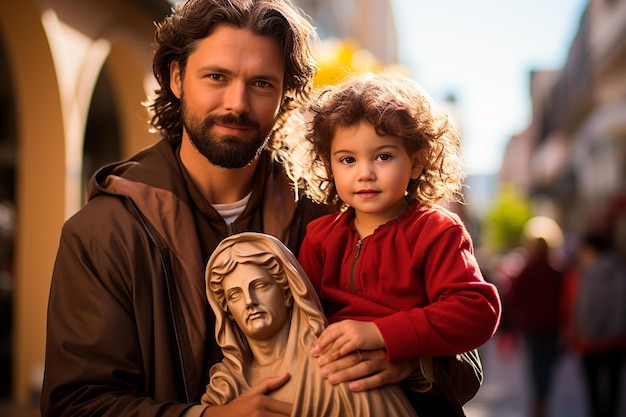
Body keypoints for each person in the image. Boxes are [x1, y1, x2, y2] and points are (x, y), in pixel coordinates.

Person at [40, 1, 334, 416]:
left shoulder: (329, 217)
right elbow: (76, 404)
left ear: (284, 93)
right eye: (217, 76)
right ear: (178, 78)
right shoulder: (102, 233)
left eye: (262, 84)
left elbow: (446, 365)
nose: (237, 103)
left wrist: (401, 359)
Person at [294, 71, 501, 416]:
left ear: (416, 162)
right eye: (347, 159)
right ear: (329, 166)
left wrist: (381, 334)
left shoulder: (435, 230)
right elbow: (303, 318)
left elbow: (476, 311)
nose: (365, 173)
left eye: (383, 156)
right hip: (334, 397)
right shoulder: (319, 236)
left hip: (417, 400)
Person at [202, 232, 419, 416]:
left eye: (259, 285)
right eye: (235, 295)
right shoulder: (226, 387)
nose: (250, 301)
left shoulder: (340, 366)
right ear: (227, 312)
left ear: (288, 293)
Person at [562, 231, 626, 417]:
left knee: (592, 389)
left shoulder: (582, 274)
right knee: (614, 386)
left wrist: (576, 333)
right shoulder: (620, 270)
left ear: (592, 249)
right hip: (618, 339)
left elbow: (575, 306)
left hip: (588, 341)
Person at [508, 234, 565, 417]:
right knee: (546, 365)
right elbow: (563, 300)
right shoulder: (555, 273)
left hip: (531, 326)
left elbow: (515, 297)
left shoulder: (526, 271)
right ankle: (542, 399)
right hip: (551, 325)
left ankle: (538, 399)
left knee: (534, 364)